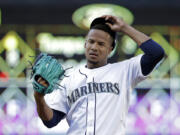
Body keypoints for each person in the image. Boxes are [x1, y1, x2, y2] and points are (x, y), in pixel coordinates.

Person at [33, 15, 165, 135]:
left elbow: (156, 53)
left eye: (101, 44)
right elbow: (50, 121)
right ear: (85, 44)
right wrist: (39, 97)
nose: (94, 47)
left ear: (110, 49)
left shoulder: (125, 71)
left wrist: (125, 28)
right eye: (91, 42)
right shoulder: (69, 78)